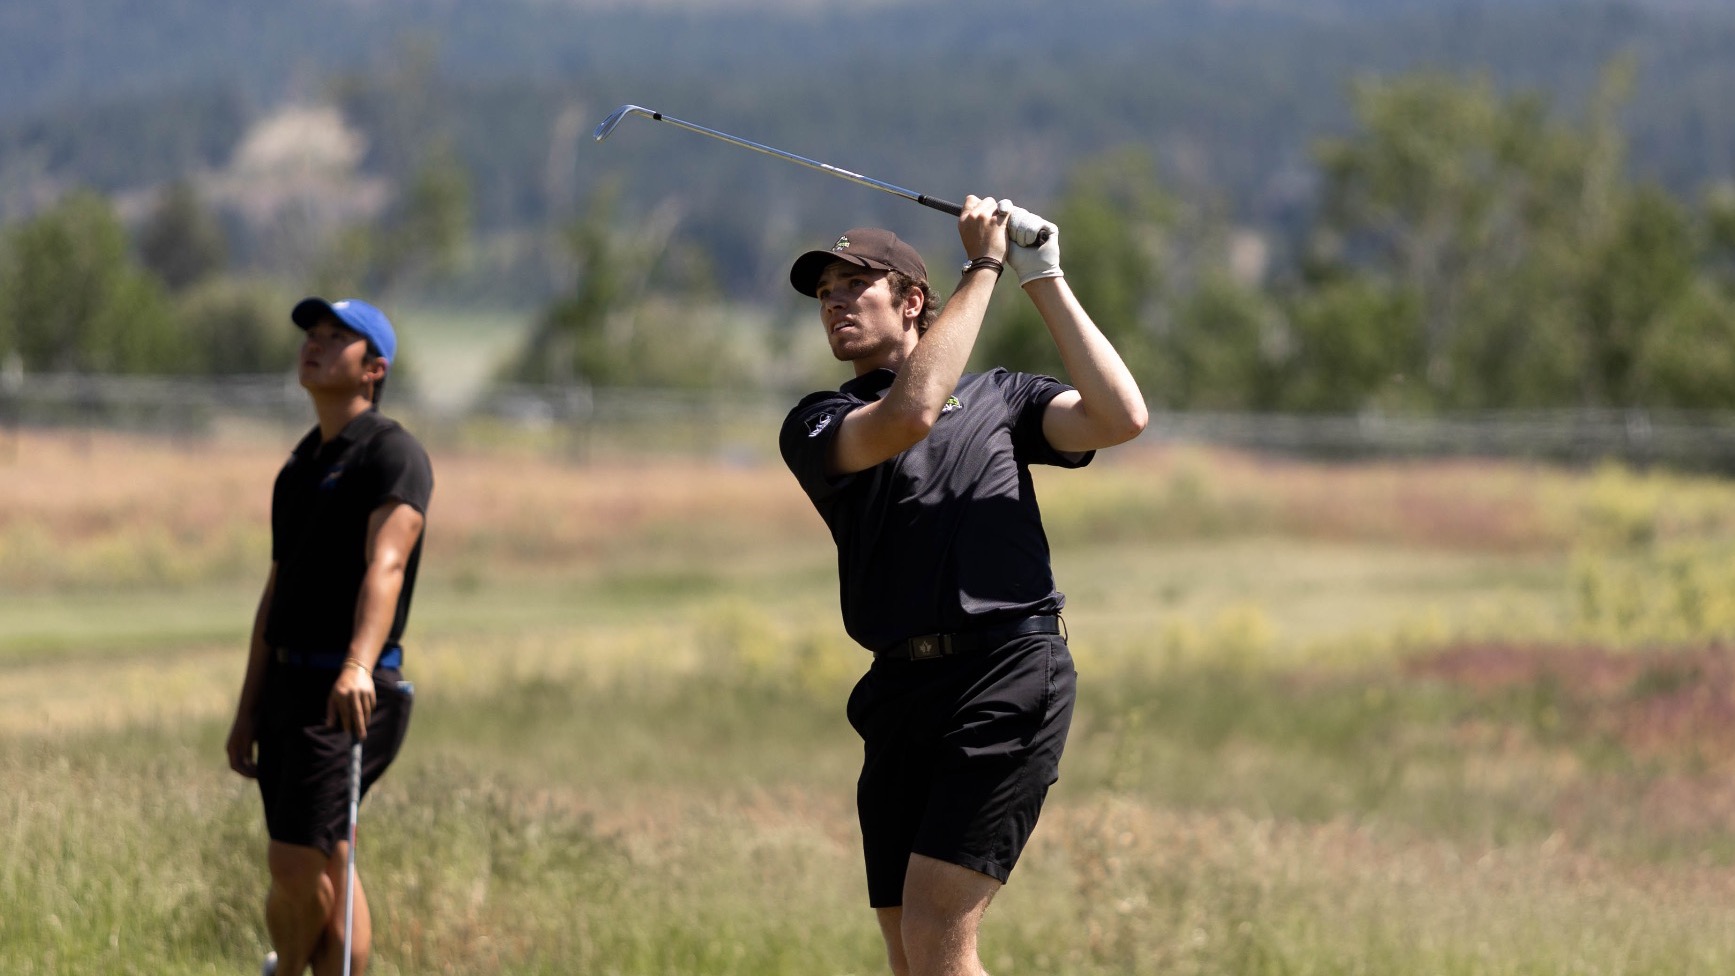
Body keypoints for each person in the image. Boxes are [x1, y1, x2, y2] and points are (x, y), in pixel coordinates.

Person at [779, 197, 1148, 976]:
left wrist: (1039, 274)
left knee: (939, 932)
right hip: (900, 692)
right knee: (908, 952)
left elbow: (1119, 417)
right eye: (825, 294)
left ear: (913, 301)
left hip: (1005, 673)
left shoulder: (1002, 400)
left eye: (855, 285)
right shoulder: (819, 421)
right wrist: (984, 264)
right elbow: (907, 415)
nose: (836, 303)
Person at [225, 297, 433, 976]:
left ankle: (284, 972)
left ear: (373, 368)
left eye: (334, 337)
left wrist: (357, 665)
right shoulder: (298, 467)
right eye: (310, 335)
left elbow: (388, 563)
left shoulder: (392, 453)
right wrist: (246, 707)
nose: (312, 344)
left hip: (347, 692)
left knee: (292, 858)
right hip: (287, 685)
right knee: (330, 855)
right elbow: (276, 590)